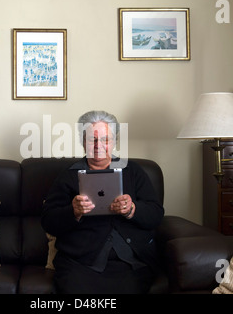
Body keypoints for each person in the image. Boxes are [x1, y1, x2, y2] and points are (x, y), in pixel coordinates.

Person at [41, 110, 164, 294]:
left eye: (105, 139)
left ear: (114, 142)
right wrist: (73, 211)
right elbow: (48, 221)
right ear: (83, 142)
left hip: (130, 261)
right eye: (92, 139)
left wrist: (132, 210)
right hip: (79, 262)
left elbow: (156, 214)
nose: (99, 145)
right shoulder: (68, 176)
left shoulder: (133, 171)